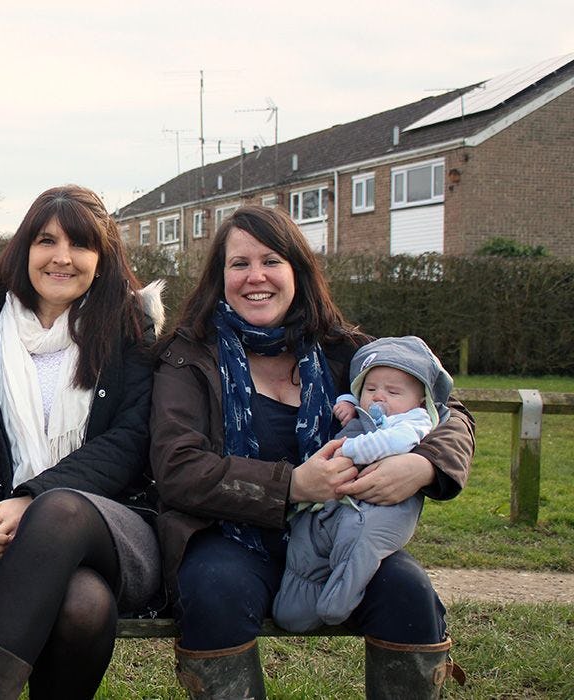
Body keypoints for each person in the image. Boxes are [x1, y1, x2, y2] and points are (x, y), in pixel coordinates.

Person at [149, 205, 473, 699]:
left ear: (297, 270)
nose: (256, 276)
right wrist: (293, 485)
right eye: (239, 264)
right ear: (221, 277)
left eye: (271, 261)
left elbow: (451, 412)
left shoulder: (346, 351)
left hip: (337, 531)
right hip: (229, 535)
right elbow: (178, 468)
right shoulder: (188, 356)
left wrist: (424, 465)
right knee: (214, 591)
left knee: (408, 594)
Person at [0, 185, 164, 699]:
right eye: (47, 240)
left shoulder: (130, 332)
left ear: (102, 260)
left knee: (59, 510)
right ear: (25, 250)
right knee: (83, 606)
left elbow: (129, 443)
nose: (62, 257)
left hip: (113, 527)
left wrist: (30, 502)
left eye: (80, 245)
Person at [273, 335, 454, 632]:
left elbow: (413, 431)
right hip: (332, 502)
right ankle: (297, 605)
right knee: (307, 540)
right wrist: (347, 402)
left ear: (420, 399)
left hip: (380, 508)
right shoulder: (368, 402)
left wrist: (420, 464)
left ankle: (339, 601)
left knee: (361, 542)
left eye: (392, 391)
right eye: (371, 389)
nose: (379, 397)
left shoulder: (414, 419)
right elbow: (354, 393)